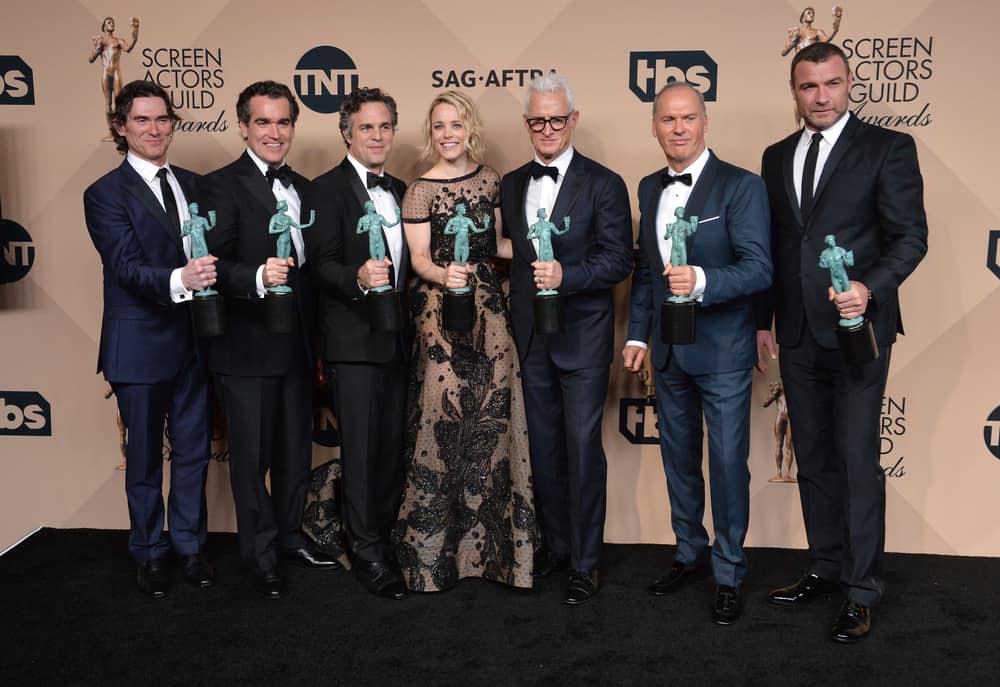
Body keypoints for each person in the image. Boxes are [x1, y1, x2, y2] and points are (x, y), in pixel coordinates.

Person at [756, 42, 928, 642]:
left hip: (859, 332)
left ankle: (861, 589)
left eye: (831, 84)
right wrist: (762, 320)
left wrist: (869, 287)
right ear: (795, 91)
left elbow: (910, 238)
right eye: (809, 86)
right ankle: (826, 567)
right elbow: (776, 249)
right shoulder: (776, 156)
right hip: (797, 332)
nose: (821, 96)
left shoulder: (888, 148)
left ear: (849, 83)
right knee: (816, 460)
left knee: (856, 461)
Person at [622, 83, 772, 625]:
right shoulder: (646, 186)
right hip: (667, 349)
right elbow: (645, 270)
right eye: (667, 119)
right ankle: (689, 552)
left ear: (705, 123)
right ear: (655, 127)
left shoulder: (741, 186)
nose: (678, 128)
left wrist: (703, 278)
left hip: (723, 347)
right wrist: (638, 335)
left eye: (688, 118)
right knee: (677, 460)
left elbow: (759, 268)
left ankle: (730, 570)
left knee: (729, 465)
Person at [392, 90, 539, 592]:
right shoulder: (418, 190)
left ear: (468, 128)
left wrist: (545, 246)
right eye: (439, 126)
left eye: (456, 125)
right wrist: (445, 273)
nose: (448, 134)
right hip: (439, 310)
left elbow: (497, 245)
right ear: (429, 132)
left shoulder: (490, 179)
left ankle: (495, 553)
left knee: (495, 420)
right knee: (441, 419)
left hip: (490, 313)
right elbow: (416, 259)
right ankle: (435, 555)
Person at [202, 80, 338, 600]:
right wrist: (259, 276)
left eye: (283, 122)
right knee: (252, 456)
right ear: (243, 127)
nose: (274, 132)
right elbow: (214, 266)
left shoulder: (306, 186)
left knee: (292, 454)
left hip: (297, 347)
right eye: (263, 122)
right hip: (246, 347)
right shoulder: (220, 186)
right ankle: (259, 554)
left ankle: (287, 536)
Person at [500, 73, 633, 605]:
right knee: (545, 450)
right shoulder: (511, 183)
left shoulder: (604, 183)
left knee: (582, 449)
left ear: (573, 120)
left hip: (583, 337)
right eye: (538, 120)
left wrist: (568, 276)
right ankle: (555, 547)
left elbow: (619, 260)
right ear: (527, 123)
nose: (548, 128)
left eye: (557, 118)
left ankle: (586, 560)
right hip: (532, 337)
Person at [83, 79, 215, 597]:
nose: (154, 129)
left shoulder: (195, 184)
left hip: (196, 340)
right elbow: (126, 268)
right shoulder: (104, 194)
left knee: (193, 452)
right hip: (138, 346)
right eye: (141, 120)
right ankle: (148, 551)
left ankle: (189, 546)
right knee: (143, 459)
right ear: (121, 127)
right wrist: (182, 279)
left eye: (162, 119)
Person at [302, 87, 411, 601]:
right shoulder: (325, 191)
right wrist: (359, 277)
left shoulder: (403, 188)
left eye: (385, 126)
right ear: (346, 132)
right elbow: (317, 265)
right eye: (366, 127)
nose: (377, 135)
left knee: (390, 451)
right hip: (353, 343)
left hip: (398, 342)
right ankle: (366, 554)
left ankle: (383, 541)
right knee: (363, 455)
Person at [88, 17, 140, 141]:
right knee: (108, 103)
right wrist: (96, 47)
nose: (111, 24)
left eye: (112, 22)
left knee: (119, 102)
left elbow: (128, 49)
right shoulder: (100, 40)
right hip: (106, 73)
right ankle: (111, 133)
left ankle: (120, 131)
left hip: (116, 72)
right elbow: (91, 59)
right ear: (104, 27)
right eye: (109, 22)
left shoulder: (118, 41)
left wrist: (135, 35)